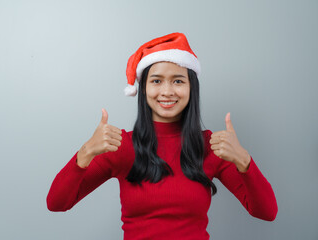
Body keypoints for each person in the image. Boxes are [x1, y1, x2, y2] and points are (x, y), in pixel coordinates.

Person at [46, 32, 278, 240]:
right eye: (156, 81)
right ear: (144, 88)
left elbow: (266, 212)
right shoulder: (121, 146)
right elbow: (57, 203)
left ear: (191, 88)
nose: (167, 91)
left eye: (178, 81)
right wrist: (85, 153)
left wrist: (243, 161)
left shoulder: (211, 146)